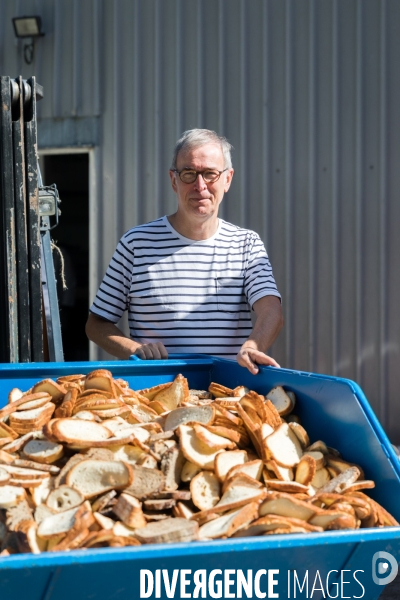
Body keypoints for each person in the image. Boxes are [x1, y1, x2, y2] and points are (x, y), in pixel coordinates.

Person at [86, 129, 283, 374]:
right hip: (155, 395)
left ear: (227, 179)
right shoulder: (136, 243)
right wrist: (133, 348)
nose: (200, 186)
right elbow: (96, 324)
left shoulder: (246, 244)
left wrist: (254, 346)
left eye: (210, 174)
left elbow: (271, 309)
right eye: (189, 173)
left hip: (226, 395)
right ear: (173, 180)